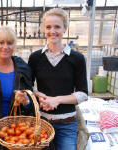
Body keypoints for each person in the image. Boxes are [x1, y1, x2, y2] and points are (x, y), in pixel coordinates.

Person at [28, 8, 88, 150]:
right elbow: (28, 86)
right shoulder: (35, 58)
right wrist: (38, 94)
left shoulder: (77, 59)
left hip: (67, 124)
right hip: (41, 122)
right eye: (48, 27)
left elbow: (83, 94)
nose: (52, 31)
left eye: (57, 27)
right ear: (44, 29)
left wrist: (57, 99)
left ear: (65, 29)